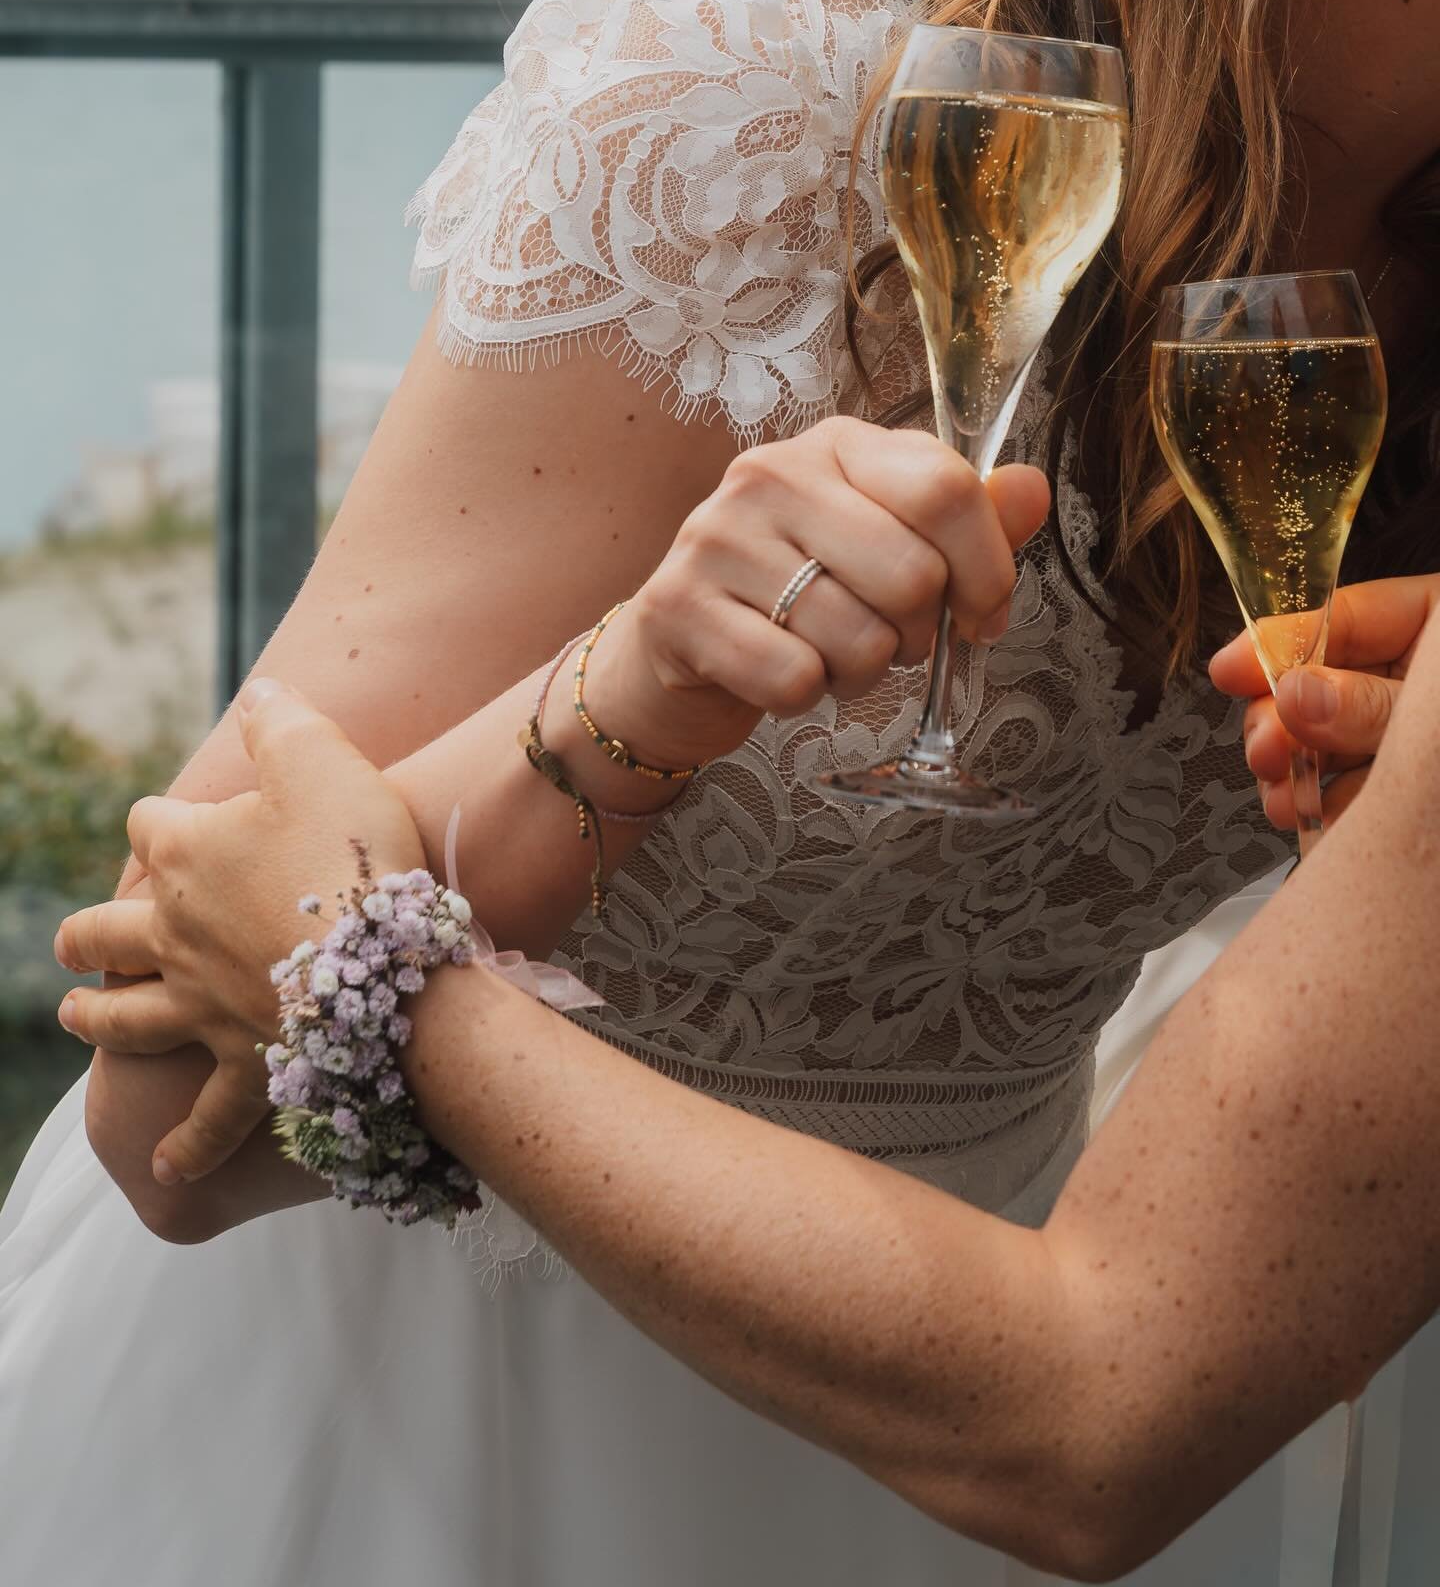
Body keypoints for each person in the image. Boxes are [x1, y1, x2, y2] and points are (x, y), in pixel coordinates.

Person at [2, 0, 1438, 1581]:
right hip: (426, 1433)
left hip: (972, 1410)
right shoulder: (757, 96)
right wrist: (636, 687)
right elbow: (162, 1110)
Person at [34, 570, 1440, 1582]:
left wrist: (371, 967)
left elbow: (1098, 1414)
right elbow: (158, 1113)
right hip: (403, 1403)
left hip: (941, 1369)